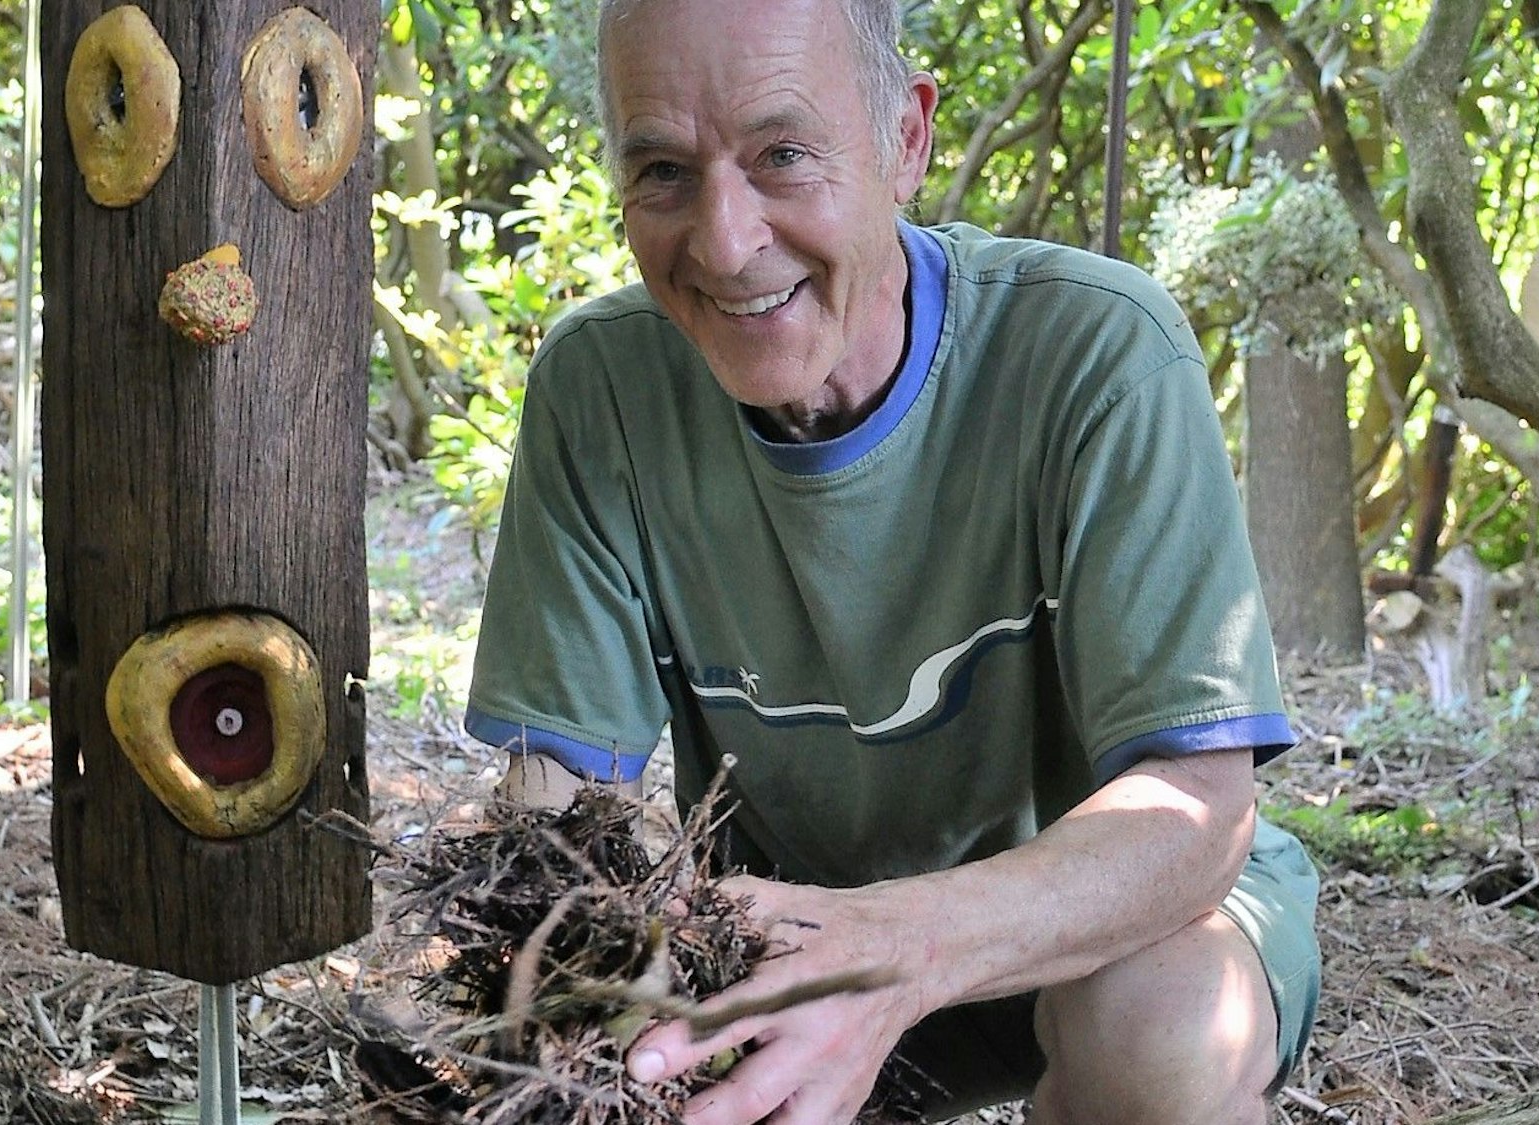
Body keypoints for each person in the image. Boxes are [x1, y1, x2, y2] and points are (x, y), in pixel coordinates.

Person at [460, 0, 1321, 1121]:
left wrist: (893, 943)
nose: (723, 242)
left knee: (1159, 1034)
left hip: (1092, 928)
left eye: (782, 154)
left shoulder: (1097, 353)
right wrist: (595, 967)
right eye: (664, 172)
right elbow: (563, 799)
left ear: (904, 140)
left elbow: (1196, 810)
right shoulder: (602, 390)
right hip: (788, 943)